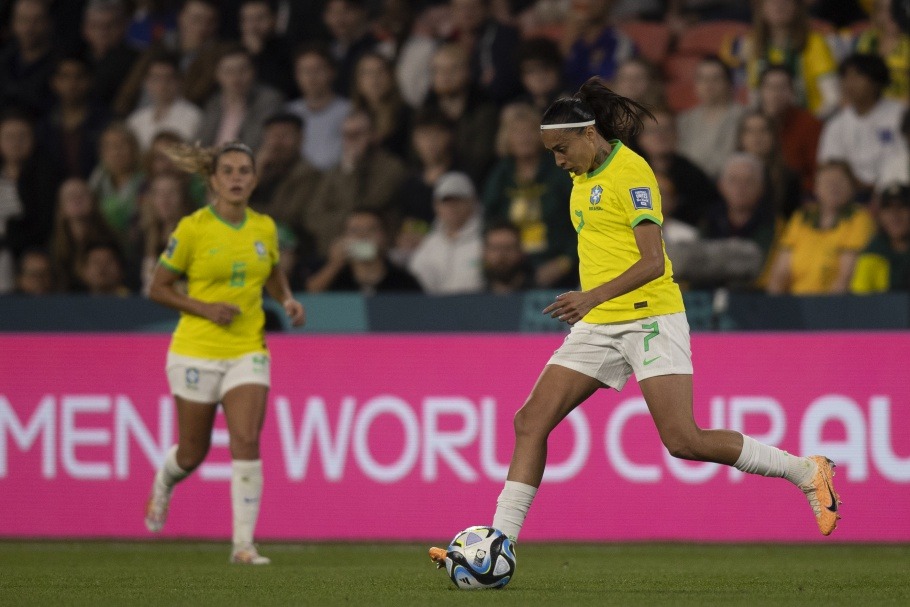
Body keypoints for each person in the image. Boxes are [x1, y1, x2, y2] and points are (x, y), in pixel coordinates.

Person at [428, 78, 842, 568]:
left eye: (561, 150)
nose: (557, 162)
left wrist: (591, 296)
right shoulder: (581, 179)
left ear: (587, 135)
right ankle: (498, 546)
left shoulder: (633, 173)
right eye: (551, 153)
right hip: (600, 321)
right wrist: (594, 305)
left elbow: (653, 261)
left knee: (683, 440)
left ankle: (804, 470)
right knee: (529, 422)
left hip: (649, 316)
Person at [144, 140, 305, 565]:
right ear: (213, 180)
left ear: (254, 179)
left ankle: (243, 546)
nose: (236, 178)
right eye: (228, 171)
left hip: (247, 347)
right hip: (195, 349)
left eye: (244, 171)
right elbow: (157, 287)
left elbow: (271, 270)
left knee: (247, 439)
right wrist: (205, 308)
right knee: (192, 453)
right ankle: (164, 481)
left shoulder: (264, 227)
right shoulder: (193, 228)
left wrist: (286, 299)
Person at [767, 160, 875, 294]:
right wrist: (773, 305)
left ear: (852, 187)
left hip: (832, 304)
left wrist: (826, 309)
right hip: (795, 303)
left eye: (839, 182)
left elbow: (845, 275)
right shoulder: (801, 218)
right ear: (816, 187)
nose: (833, 187)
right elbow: (780, 272)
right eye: (827, 181)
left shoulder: (859, 218)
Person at [720, 0, 839, 117]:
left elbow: (833, 99)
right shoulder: (753, 45)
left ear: (797, 7)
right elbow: (754, 98)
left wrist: (809, 125)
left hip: (810, 121)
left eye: (786, 1)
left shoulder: (814, 43)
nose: (778, 4)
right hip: (768, 128)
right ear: (761, 7)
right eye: (771, 1)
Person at [817, 53, 908, 195]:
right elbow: (829, 165)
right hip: (852, 195)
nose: (849, 83)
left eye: (856, 77)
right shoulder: (836, 124)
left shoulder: (901, 114)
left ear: (876, 82)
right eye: (845, 77)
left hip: (897, 192)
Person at [306, 207, 422, 294]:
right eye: (355, 231)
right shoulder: (335, 279)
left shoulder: (404, 282)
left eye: (371, 230)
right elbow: (309, 298)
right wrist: (334, 265)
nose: (363, 236)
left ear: (384, 237)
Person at [408, 171, 484, 294]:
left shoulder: (485, 241)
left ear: (473, 202)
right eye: (446, 201)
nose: (452, 207)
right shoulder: (428, 244)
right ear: (436, 206)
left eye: (458, 200)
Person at [676, 56, 748, 180]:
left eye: (716, 79)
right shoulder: (684, 119)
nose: (709, 85)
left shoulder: (743, 116)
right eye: (703, 79)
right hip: (689, 183)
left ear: (729, 83)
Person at [126, 52, 203, 151]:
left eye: (168, 78)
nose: (162, 85)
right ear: (146, 82)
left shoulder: (193, 117)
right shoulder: (136, 120)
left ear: (179, 81)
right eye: (156, 78)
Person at [851, 182, 910, 293]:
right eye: (888, 208)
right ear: (880, 215)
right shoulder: (873, 252)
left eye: (902, 207)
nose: (895, 215)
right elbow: (860, 299)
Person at [482, 219, 533, 293]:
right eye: (495, 248)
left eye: (508, 248)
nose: (502, 255)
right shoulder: (473, 293)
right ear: (485, 252)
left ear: (520, 251)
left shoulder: (540, 293)